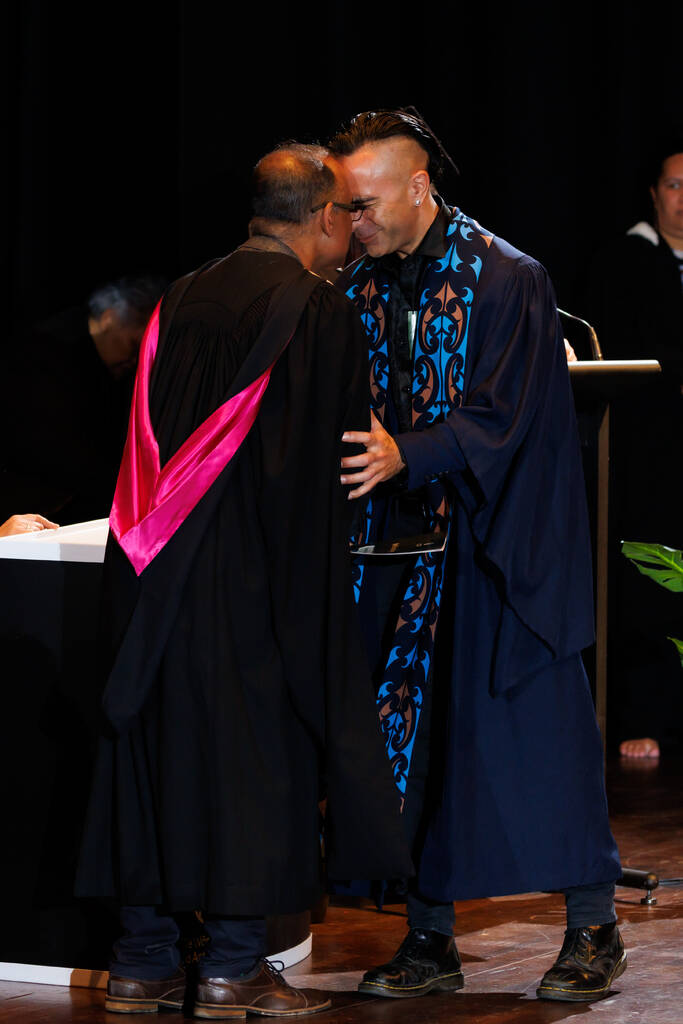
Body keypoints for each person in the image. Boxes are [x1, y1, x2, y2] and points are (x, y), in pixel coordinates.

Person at [75, 143, 411, 1018]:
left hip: (152, 566)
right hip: (256, 583)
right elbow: (326, 474)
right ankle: (230, 967)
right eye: (346, 213)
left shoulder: (176, 300)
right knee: (252, 768)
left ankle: (141, 962)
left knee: (155, 756)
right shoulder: (316, 312)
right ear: (322, 217)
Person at [329, 109, 624, 1003]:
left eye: (366, 204)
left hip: (504, 547)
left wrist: (403, 454)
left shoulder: (506, 278)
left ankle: (592, 927)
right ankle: (428, 938)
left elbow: (505, 414)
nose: (354, 222)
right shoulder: (360, 283)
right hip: (402, 552)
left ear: (418, 186)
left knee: (541, 738)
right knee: (419, 749)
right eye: (344, 207)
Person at [585, 140, 683, 761]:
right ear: (653, 193)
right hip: (650, 458)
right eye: (675, 185)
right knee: (651, 575)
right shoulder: (625, 261)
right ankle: (645, 715)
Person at [0, 276, 164, 526]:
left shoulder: (111, 371)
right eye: (132, 346)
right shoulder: (45, 352)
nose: (133, 361)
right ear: (109, 316)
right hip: (34, 506)